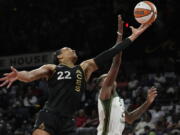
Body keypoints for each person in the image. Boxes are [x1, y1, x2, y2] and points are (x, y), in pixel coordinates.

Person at [0, 15, 151, 135]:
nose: (72, 49)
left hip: (68, 121)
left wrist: (132, 37)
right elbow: (30, 75)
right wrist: (19, 75)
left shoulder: (85, 67)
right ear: (60, 57)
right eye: (67, 48)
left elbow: (110, 54)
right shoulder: (52, 68)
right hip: (50, 114)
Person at [96, 18, 157, 135]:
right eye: (106, 77)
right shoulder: (104, 94)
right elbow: (116, 63)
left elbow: (130, 119)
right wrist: (120, 35)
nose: (109, 78)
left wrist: (147, 102)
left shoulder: (117, 99)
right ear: (100, 85)